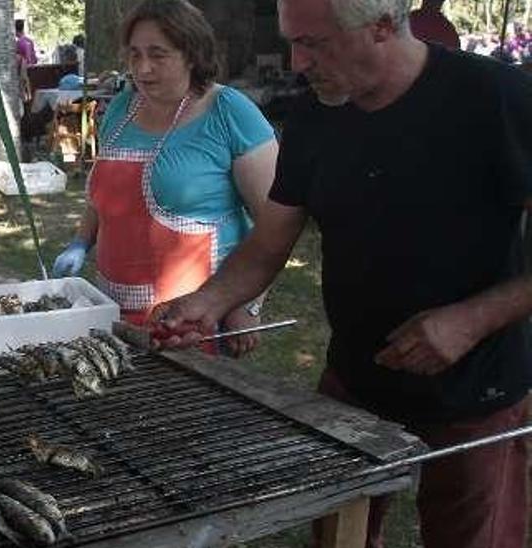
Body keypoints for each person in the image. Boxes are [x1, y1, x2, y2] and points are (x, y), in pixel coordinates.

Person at [151, 0, 532, 546]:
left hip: (479, 389)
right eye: (292, 40)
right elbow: (267, 244)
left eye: (314, 43)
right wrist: (205, 303)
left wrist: (469, 321)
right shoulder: (315, 116)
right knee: (338, 536)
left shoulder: (497, 98)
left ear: (383, 25)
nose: (297, 61)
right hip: (354, 382)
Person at [50, 0, 278, 357]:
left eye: (158, 55)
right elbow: (105, 194)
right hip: (112, 314)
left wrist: (245, 304)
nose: (143, 68)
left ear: (191, 53)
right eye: (135, 54)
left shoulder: (230, 111)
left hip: (191, 325)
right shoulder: (122, 109)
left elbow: (275, 225)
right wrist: (80, 241)